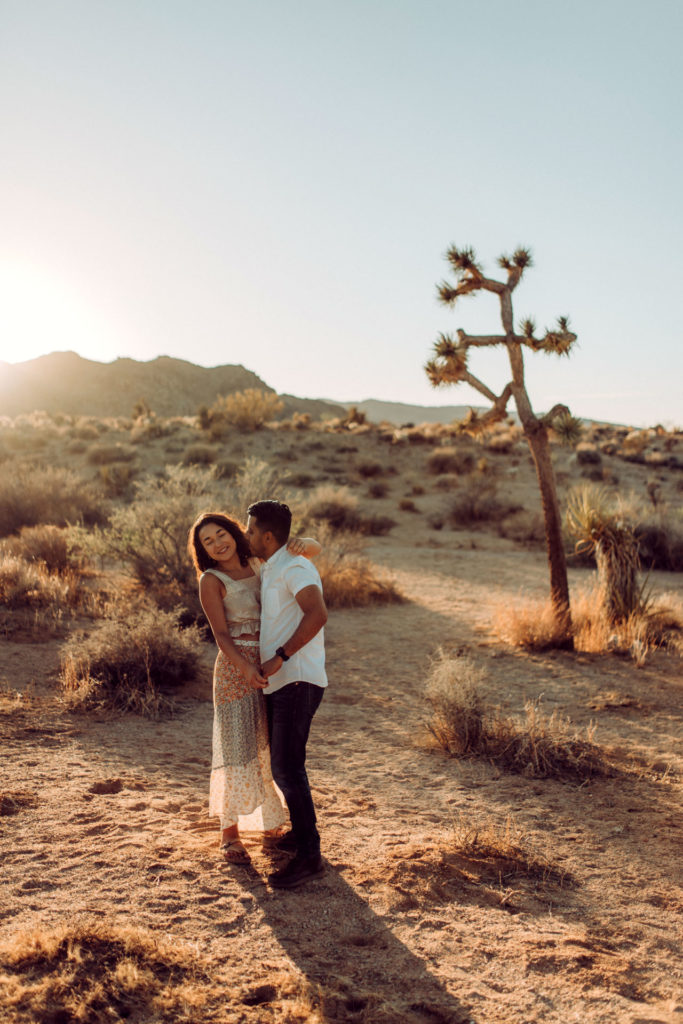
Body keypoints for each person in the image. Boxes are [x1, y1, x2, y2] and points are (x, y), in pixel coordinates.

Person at [188, 511, 320, 864]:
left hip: (271, 664)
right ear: (202, 549)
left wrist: (305, 543)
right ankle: (229, 833)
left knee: (267, 746)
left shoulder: (259, 563)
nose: (217, 544)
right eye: (207, 541)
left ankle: (271, 821)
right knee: (236, 745)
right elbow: (219, 634)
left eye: (221, 534)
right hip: (237, 669)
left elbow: (313, 550)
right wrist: (244, 667)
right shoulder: (211, 580)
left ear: (234, 532)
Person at [246, 500, 328, 890]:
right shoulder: (273, 566)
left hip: (297, 677)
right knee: (287, 765)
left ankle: (309, 857)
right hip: (282, 681)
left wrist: (281, 656)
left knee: (287, 768)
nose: (246, 537)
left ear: (266, 535)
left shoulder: (295, 566)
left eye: (249, 531)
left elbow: (317, 613)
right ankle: (301, 836)